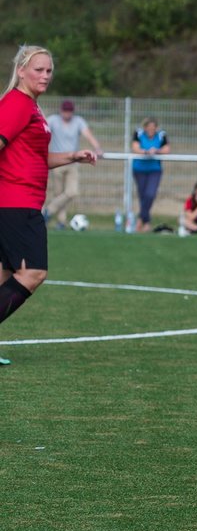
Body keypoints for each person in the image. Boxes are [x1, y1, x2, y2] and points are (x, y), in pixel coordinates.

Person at [0, 45, 98, 366]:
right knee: (33, 273)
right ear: (21, 71)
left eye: (49, 70)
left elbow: (34, 158)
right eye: (39, 69)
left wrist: (72, 156)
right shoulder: (17, 104)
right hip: (16, 204)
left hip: (16, 203)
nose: (45, 75)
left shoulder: (31, 106)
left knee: (4, 275)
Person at [44, 99, 102, 229]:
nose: (67, 114)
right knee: (58, 193)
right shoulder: (53, 120)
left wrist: (97, 147)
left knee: (72, 192)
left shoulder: (78, 121)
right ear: (61, 111)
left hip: (73, 161)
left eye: (69, 111)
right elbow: (42, 132)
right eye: (65, 111)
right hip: (57, 161)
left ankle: (48, 211)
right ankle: (61, 222)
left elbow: (88, 135)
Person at [130, 116, 169, 233]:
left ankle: (140, 220)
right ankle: (146, 222)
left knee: (150, 194)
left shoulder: (161, 136)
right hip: (139, 169)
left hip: (154, 169)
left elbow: (167, 149)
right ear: (145, 127)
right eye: (149, 127)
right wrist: (146, 151)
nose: (151, 129)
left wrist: (156, 151)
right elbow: (135, 148)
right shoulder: (139, 134)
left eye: (153, 127)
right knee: (143, 196)